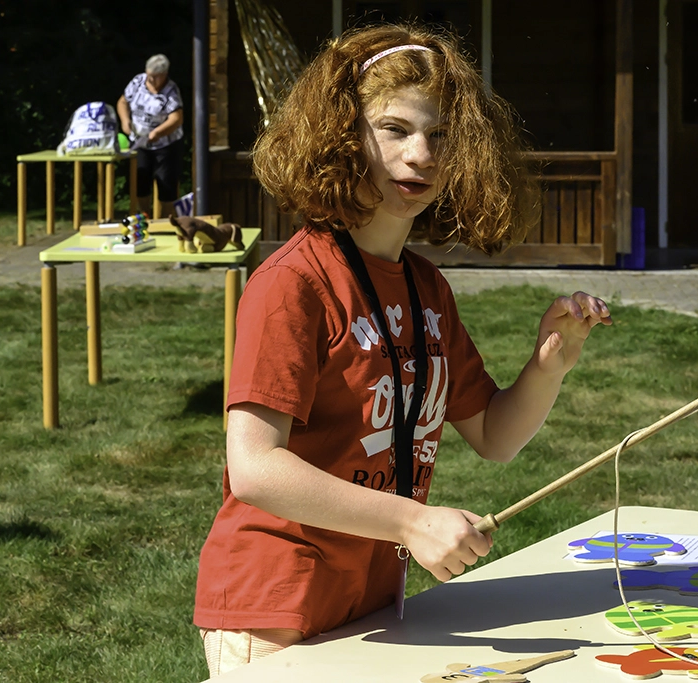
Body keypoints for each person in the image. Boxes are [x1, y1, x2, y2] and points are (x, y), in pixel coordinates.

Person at [193, 22, 612, 677]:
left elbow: (494, 435)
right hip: (276, 611)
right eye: (395, 129)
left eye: (439, 136)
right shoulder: (293, 282)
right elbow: (254, 468)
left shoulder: (426, 290)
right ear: (342, 138)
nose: (421, 153)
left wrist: (547, 366)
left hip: (373, 606)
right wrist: (412, 523)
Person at [116, 53, 184, 218]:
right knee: (141, 179)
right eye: (149, 76)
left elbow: (176, 118)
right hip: (140, 141)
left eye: (155, 77)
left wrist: (158, 132)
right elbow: (123, 102)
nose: (151, 80)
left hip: (165, 143)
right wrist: (125, 121)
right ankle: (145, 216)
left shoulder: (171, 91)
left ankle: (166, 219)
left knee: (166, 182)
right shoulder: (138, 81)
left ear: (164, 75)